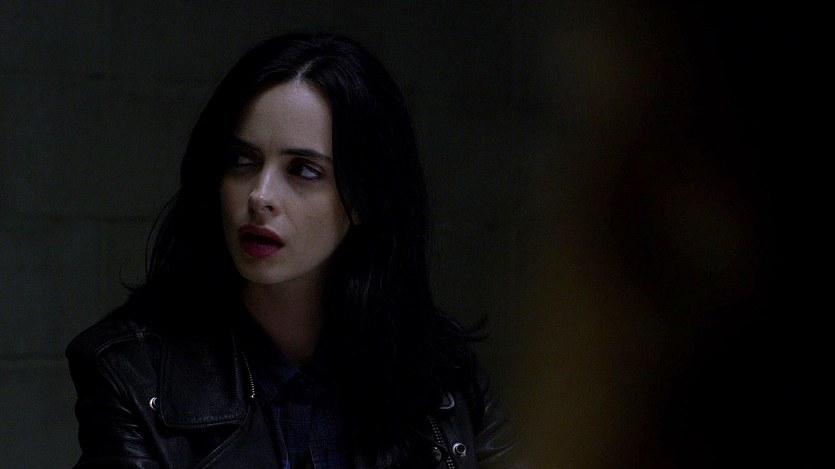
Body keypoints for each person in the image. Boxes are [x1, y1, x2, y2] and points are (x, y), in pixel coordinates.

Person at [66, 32, 522, 468]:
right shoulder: (135, 373)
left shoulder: (440, 375)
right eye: (242, 161)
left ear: (363, 199)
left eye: (303, 170)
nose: (259, 195)